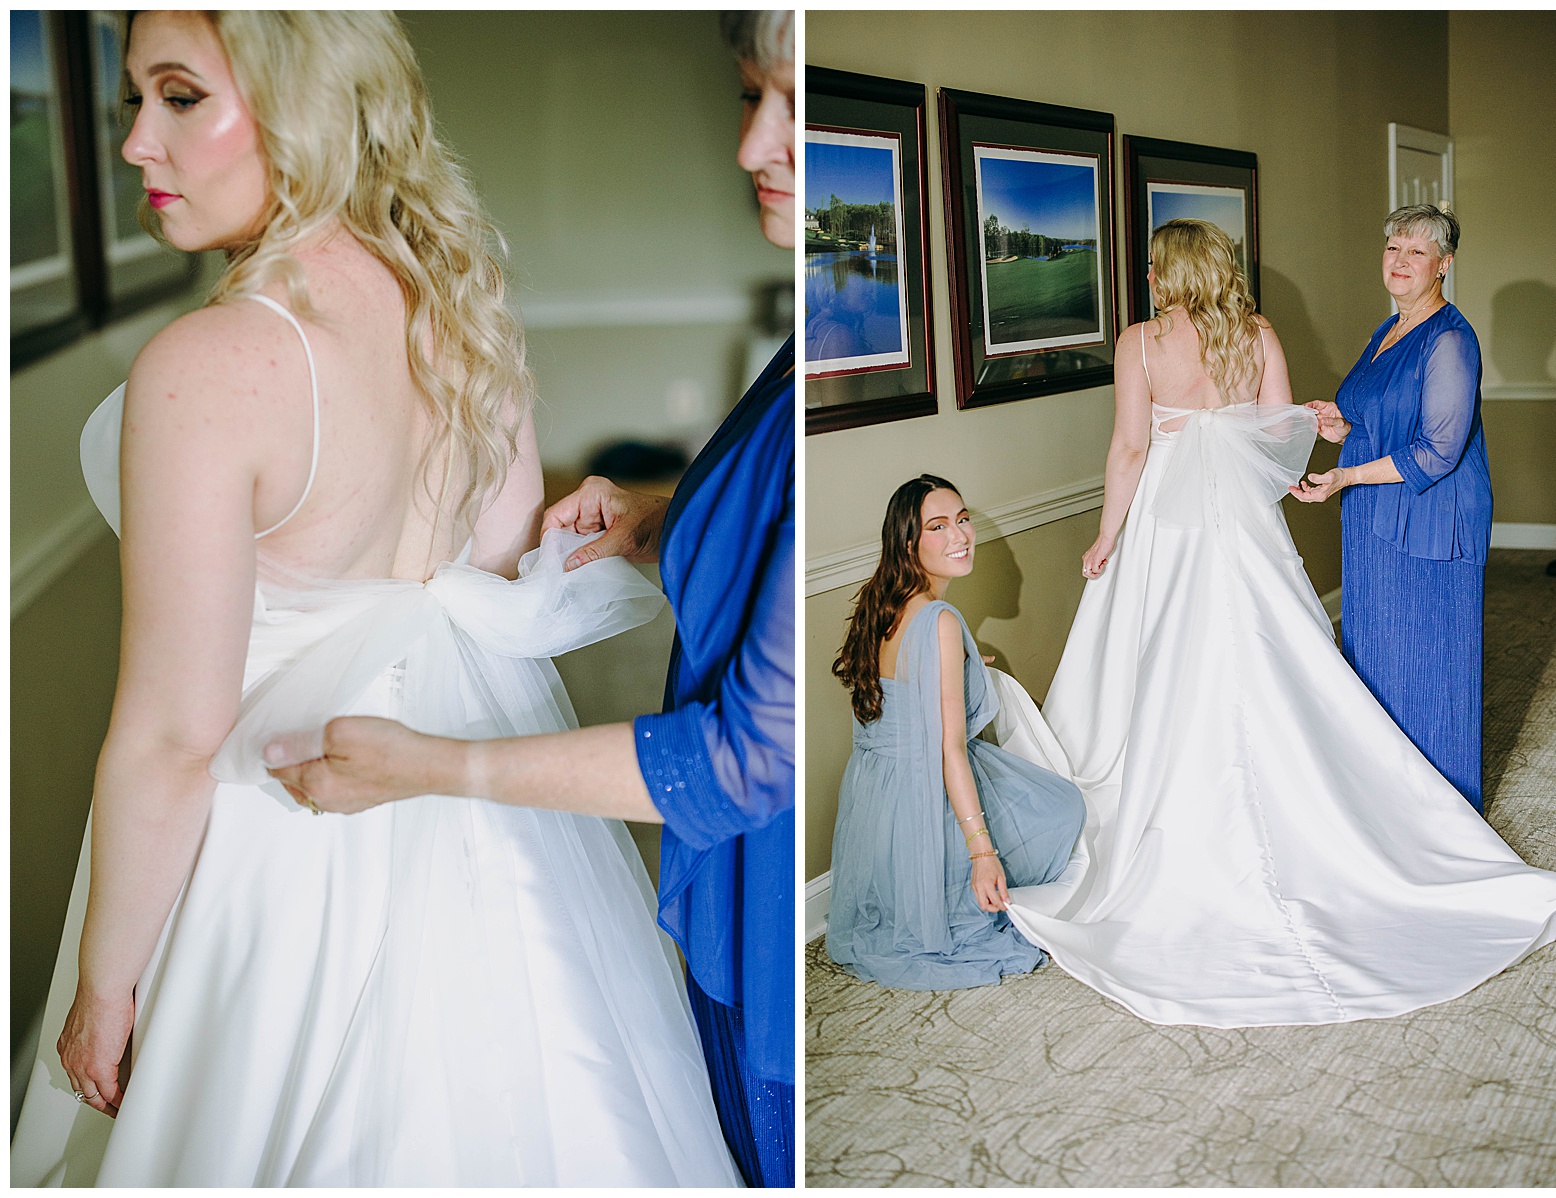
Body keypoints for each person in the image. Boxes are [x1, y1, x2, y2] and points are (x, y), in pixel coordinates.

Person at [11, 11, 741, 1186]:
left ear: (301, 98)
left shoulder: (205, 367)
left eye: (180, 96)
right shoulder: (461, 296)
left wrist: (105, 987)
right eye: (131, 100)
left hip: (281, 833)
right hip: (481, 790)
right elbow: (496, 555)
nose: (137, 141)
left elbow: (171, 735)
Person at [262, 10, 798, 1187]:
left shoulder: (222, 359)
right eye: (747, 96)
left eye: (791, 104)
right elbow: (751, 527)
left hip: (757, 883)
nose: (754, 144)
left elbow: (741, 760)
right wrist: (657, 525)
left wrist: (434, 764)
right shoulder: (793, 351)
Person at [997, 218, 1556, 1028]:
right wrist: (1273, 463)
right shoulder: (1257, 332)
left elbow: (1130, 450)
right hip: (1241, 529)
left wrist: (1106, 536)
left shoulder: (1140, 342)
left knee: (1164, 669)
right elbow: (1278, 446)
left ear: (1168, 271)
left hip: (1168, 532)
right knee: (1282, 659)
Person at [825, 476, 1085, 988]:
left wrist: (964, 665)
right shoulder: (940, 621)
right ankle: (964, 880)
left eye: (962, 519)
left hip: (878, 802)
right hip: (926, 788)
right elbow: (948, 751)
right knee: (1062, 806)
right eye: (938, 527)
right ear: (909, 543)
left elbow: (905, 682)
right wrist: (982, 854)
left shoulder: (882, 603)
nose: (961, 535)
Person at [1290, 204, 1492, 812]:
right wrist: (1339, 424)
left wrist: (1344, 475)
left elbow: (1437, 451)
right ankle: (1392, 812)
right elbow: (1381, 421)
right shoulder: (1388, 329)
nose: (1400, 262)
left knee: (1430, 666)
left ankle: (1444, 816)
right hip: (1375, 519)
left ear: (1444, 266)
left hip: (1432, 524)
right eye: (1393, 249)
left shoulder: (1451, 338)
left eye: (1417, 252)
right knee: (1378, 660)